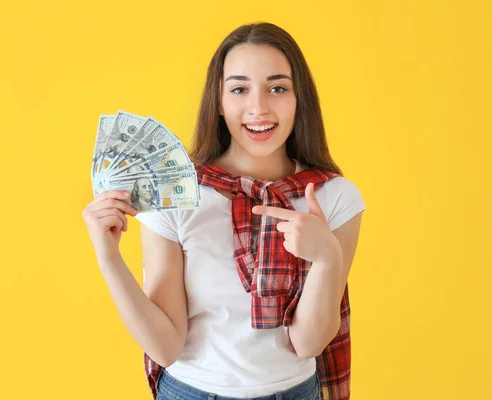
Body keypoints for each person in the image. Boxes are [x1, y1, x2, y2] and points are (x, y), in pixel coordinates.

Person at [82, 22, 367, 400]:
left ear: (300, 98)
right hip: (192, 392)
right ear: (219, 101)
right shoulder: (177, 194)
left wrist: (327, 257)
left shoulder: (335, 197)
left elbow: (308, 343)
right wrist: (108, 257)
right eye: (239, 89)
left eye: (277, 88)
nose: (258, 107)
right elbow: (166, 347)